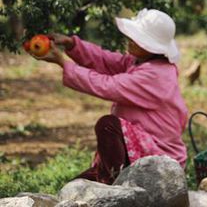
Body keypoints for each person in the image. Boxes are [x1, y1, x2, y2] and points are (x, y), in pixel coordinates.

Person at [29, 9, 188, 184]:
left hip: (159, 156)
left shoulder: (154, 76)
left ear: (151, 47)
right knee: (76, 186)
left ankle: (111, 183)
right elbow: (105, 60)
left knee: (109, 126)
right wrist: (71, 45)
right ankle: (108, 179)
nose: (130, 40)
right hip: (141, 149)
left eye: (137, 38)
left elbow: (106, 85)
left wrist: (62, 62)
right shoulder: (141, 63)